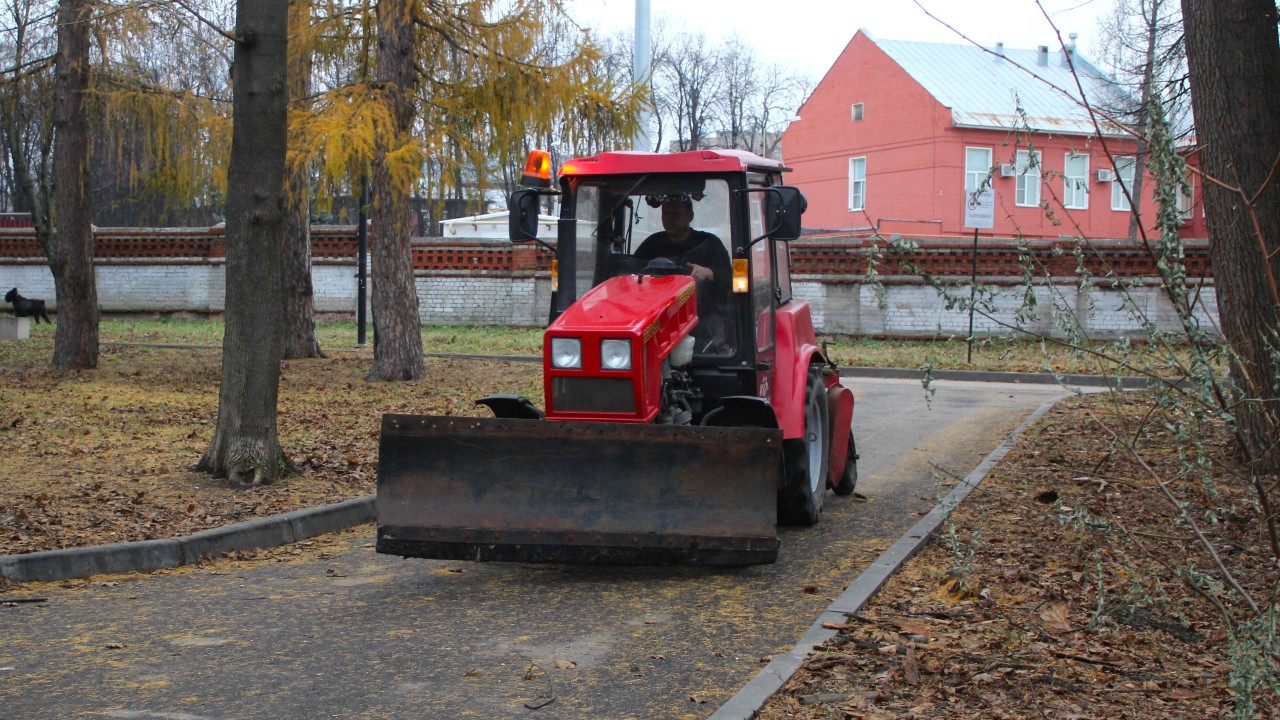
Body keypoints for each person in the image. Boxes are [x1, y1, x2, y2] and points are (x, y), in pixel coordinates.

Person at [634, 196, 733, 351]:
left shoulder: (709, 244)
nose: (669, 219)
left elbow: (732, 281)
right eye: (665, 213)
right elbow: (631, 273)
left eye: (675, 214)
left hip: (703, 318)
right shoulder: (652, 244)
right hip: (657, 319)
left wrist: (710, 273)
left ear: (690, 216)